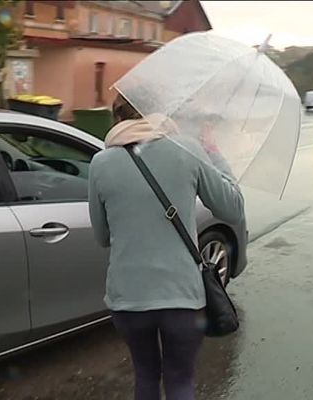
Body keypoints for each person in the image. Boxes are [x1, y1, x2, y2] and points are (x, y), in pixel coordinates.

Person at [88, 94, 245, 400]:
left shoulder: (100, 163)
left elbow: (102, 237)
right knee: (180, 380)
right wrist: (212, 150)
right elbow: (233, 208)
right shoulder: (187, 150)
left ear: (117, 118)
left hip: (128, 300)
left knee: (145, 376)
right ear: (157, 111)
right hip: (182, 299)